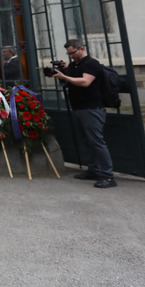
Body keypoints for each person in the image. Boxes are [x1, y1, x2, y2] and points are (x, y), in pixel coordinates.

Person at [50, 39, 116, 189]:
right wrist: (63, 73)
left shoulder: (91, 63)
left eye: (73, 52)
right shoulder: (75, 65)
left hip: (92, 107)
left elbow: (85, 82)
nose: (71, 56)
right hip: (79, 107)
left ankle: (107, 175)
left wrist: (65, 77)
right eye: (69, 54)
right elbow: (70, 81)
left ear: (81, 48)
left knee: (97, 141)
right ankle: (93, 170)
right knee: (87, 141)